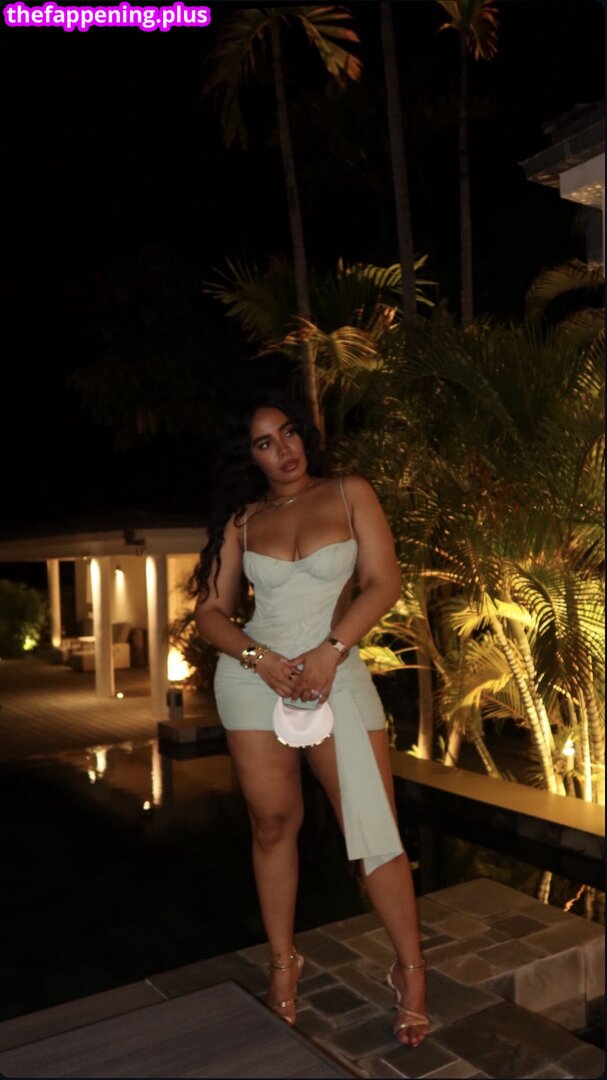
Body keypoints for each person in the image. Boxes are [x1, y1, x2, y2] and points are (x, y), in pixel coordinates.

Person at [193, 390, 429, 1049]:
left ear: (306, 435)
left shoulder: (350, 492)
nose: (283, 450)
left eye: (289, 433)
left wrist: (330, 651)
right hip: (254, 681)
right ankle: (283, 962)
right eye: (264, 443)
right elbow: (210, 613)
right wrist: (259, 659)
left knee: (374, 830)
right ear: (249, 456)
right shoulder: (242, 520)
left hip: (337, 672)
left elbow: (383, 582)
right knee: (272, 825)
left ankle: (410, 971)